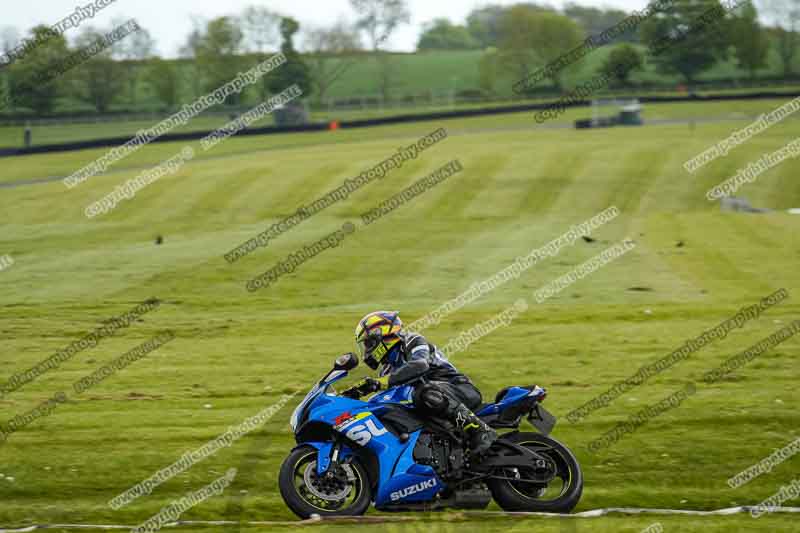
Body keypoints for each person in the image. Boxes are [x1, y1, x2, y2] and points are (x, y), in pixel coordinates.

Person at [348, 311, 497, 455]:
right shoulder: (386, 370)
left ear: (382, 335)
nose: (366, 351)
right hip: (431, 407)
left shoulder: (413, 341)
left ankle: (481, 431)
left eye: (368, 343)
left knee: (425, 392)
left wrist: (380, 383)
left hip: (458, 388)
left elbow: (420, 365)